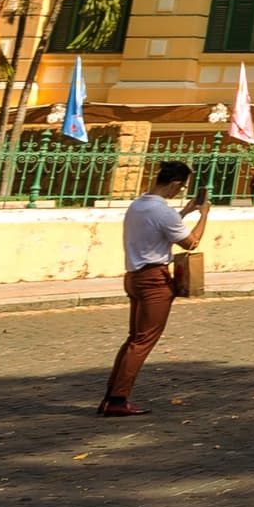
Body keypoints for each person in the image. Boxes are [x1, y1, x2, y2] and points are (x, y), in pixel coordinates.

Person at [101, 160, 209, 417]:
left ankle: (112, 396)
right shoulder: (163, 212)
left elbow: (160, 230)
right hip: (154, 280)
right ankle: (118, 398)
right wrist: (203, 215)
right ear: (175, 184)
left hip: (134, 276)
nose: (179, 191)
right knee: (142, 341)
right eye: (181, 188)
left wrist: (184, 212)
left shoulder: (139, 205)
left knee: (134, 339)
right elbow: (191, 243)